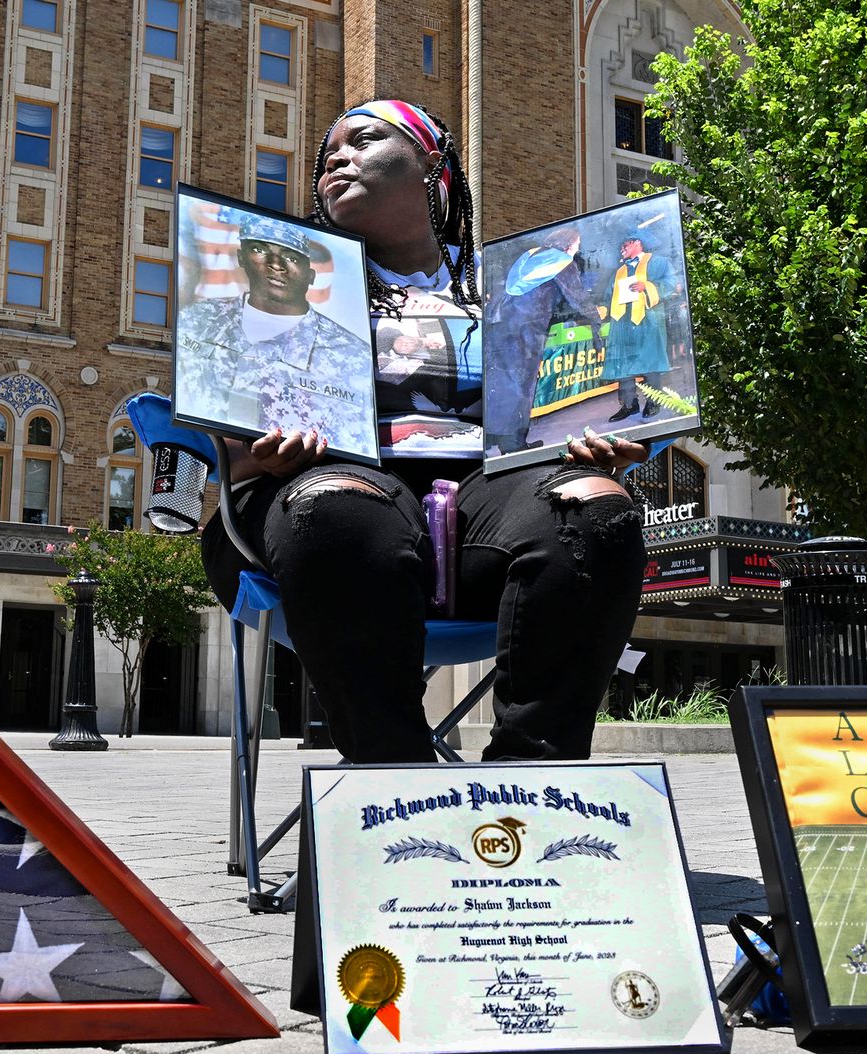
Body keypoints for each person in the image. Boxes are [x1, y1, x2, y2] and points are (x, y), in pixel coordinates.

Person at [199, 99, 650, 763]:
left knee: (596, 511)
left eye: (364, 140)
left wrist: (598, 434)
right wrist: (254, 460)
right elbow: (224, 443)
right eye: (328, 155)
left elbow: (589, 404)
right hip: (318, 512)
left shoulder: (520, 286)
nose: (336, 158)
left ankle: (532, 782)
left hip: (488, 507)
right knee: (340, 506)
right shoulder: (277, 278)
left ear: (431, 164)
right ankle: (393, 775)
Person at [175, 214, 376, 457]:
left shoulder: (352, 354)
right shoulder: (195, 319)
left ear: (311, 275)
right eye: (259, 249)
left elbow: (357, 448)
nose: (276, 264)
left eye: (291, 257)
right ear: (241, 257)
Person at [485, 226, 601, 455]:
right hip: (526, 329)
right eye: (577, 244)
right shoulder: (562, 262)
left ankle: (492, 436)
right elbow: (577, 296)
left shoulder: (531, 254)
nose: (578, 249)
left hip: (498, 322)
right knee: (522, 385)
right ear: (568, 244)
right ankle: (515, 443)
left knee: (498, 381)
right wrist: (596, 318)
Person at [600, 233, 682, 422]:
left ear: (638, 242)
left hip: (648, 320)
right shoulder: (618, 271)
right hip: (622, 323)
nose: (622, 246)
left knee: (650, 362)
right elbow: (608, 297)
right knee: (624, 364)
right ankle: (630, 405)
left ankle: (654, 401)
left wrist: (647, 286)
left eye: (625, 242)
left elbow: (672, 284)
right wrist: (601, 309)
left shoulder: (658, 262)